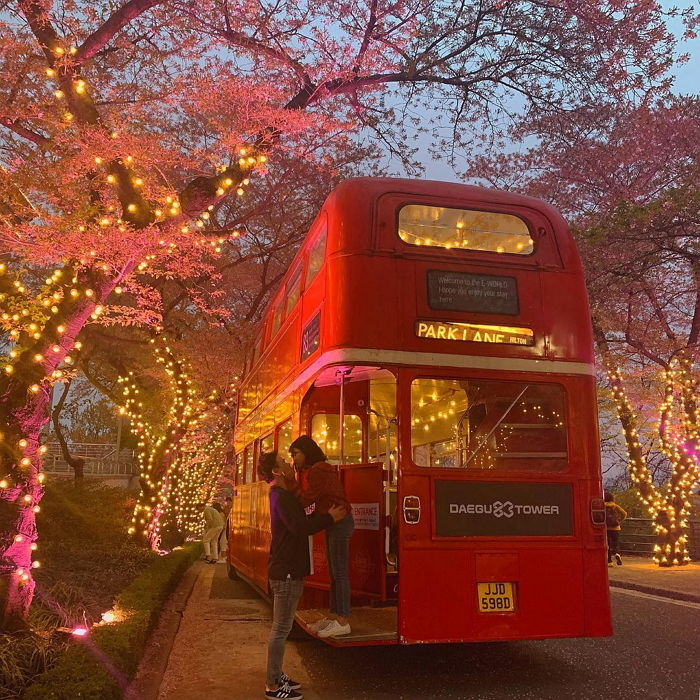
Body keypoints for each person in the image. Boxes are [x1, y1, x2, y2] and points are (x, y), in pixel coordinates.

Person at [259, 451, 345, 700]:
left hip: (287, 569)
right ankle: (273, 685)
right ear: (276, 471)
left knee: (281, 628)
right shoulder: (280, 496)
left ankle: (277, 674)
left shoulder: (282, 495)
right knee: (281, 629)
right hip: (286, 571)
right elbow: (300, 527)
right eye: (282, 463)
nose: (288, 464)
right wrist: (330, 517)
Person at [288, 435, 354, 638]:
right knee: (335, 572)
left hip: (339, 521)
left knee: (339, 572)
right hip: (335, 520)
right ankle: (335, 616)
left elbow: (309, 498)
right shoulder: (319, 468)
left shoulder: (318, 469)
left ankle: (342, 619)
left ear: (306, 451)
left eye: (296, 454)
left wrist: (291, 484)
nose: (294, 459)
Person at [604, 491, 627, 566]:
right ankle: (617, 553)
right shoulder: (615, 506)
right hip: (616, 528)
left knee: (608, 545)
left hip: (606, 528)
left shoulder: (603, 506)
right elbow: (624, 514)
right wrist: (619, 521)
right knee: (615, 543)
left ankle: (609, 561)